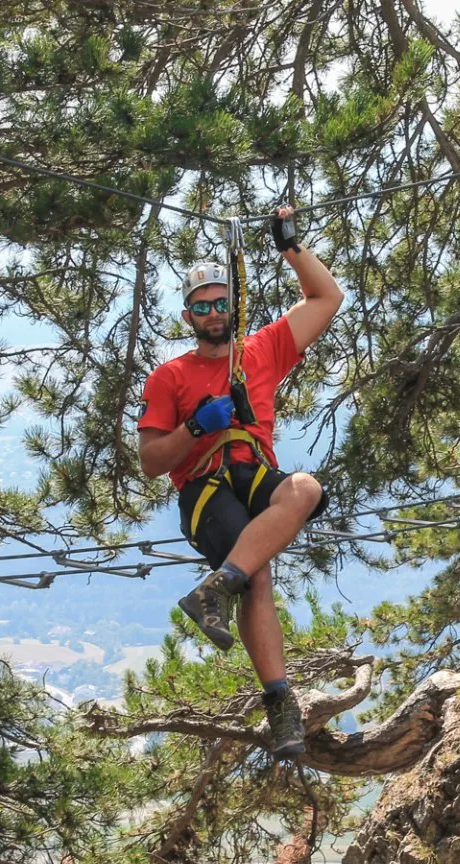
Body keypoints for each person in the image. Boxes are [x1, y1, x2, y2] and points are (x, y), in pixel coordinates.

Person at [136, 207, 343, 760]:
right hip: (204, 488)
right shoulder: (170, 377)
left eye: (220, 302)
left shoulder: (262, 350)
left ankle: (215, 587)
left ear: (233, 305)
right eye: (201, 306)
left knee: (304, 490)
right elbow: (151, 461)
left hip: (252, 471)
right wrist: (194, 425)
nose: (212, 313)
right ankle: (280, 704)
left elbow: (326, 299)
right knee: (259, 575)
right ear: (188, 315)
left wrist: (291, 247)